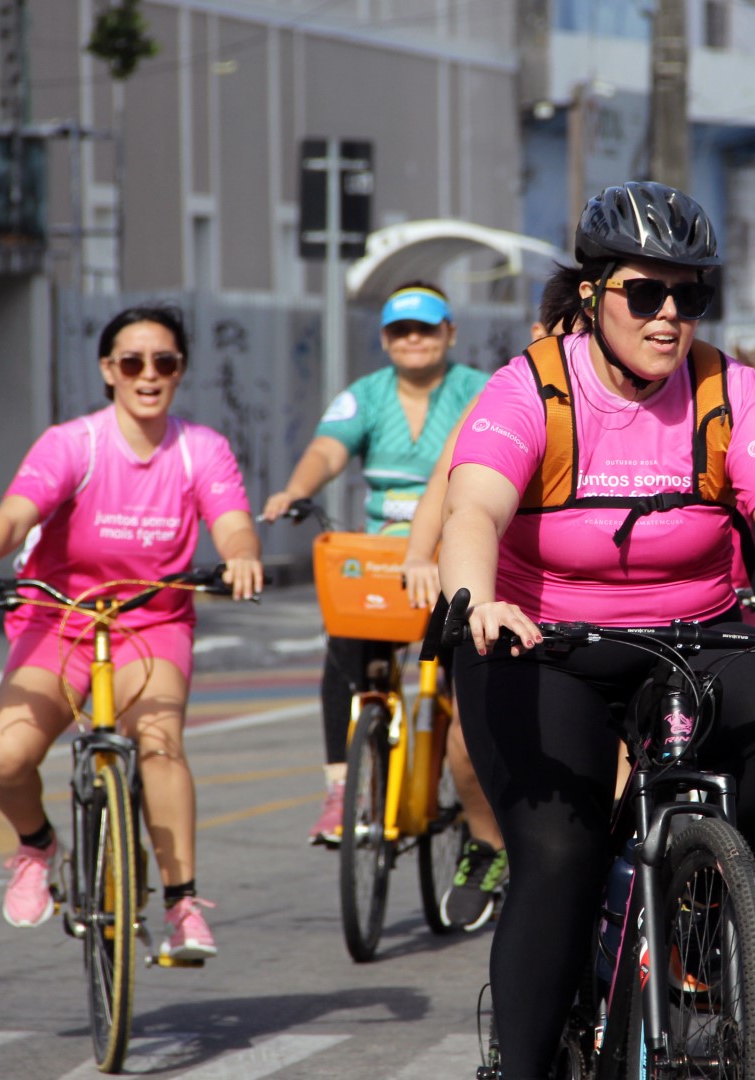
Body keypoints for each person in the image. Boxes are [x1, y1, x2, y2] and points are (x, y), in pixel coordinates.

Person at [439, 181, 755, 1080]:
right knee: (559, 855)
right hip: (541, 641)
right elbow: (473, 509)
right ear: (591, 294)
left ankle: (685, 891)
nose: (668, 316)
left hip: (696, 634)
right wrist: (478, 599)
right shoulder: (532, 386)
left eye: (689, 296)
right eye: (646, 293)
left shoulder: (728, 388)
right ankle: (526, 1060)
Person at [0, 304, 264, 960]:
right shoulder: (73, 444)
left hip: (152, 620)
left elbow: (231, 522)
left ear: (180, 371)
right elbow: (14, 517)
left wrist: (242, 557)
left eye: (164, 362)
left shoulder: (201, 448)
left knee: (160, 747)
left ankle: (182, 905)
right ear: (108, 370)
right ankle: (37, 847)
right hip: (59, 619)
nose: (149, 375)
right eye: (132, 363)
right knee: (3, 758)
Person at [260, 283, 507, 926]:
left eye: (425, 328)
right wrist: (295, 490)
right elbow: (327, 449)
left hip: (457, 559)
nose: (413, 340)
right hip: (385, 562)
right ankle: (340, 786)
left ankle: (483, 821)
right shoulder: (365, 395)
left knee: (467, 687)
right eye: (400, 330)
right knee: (344, 645)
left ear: (450, 333)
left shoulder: (481, 390)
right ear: (384, 339)